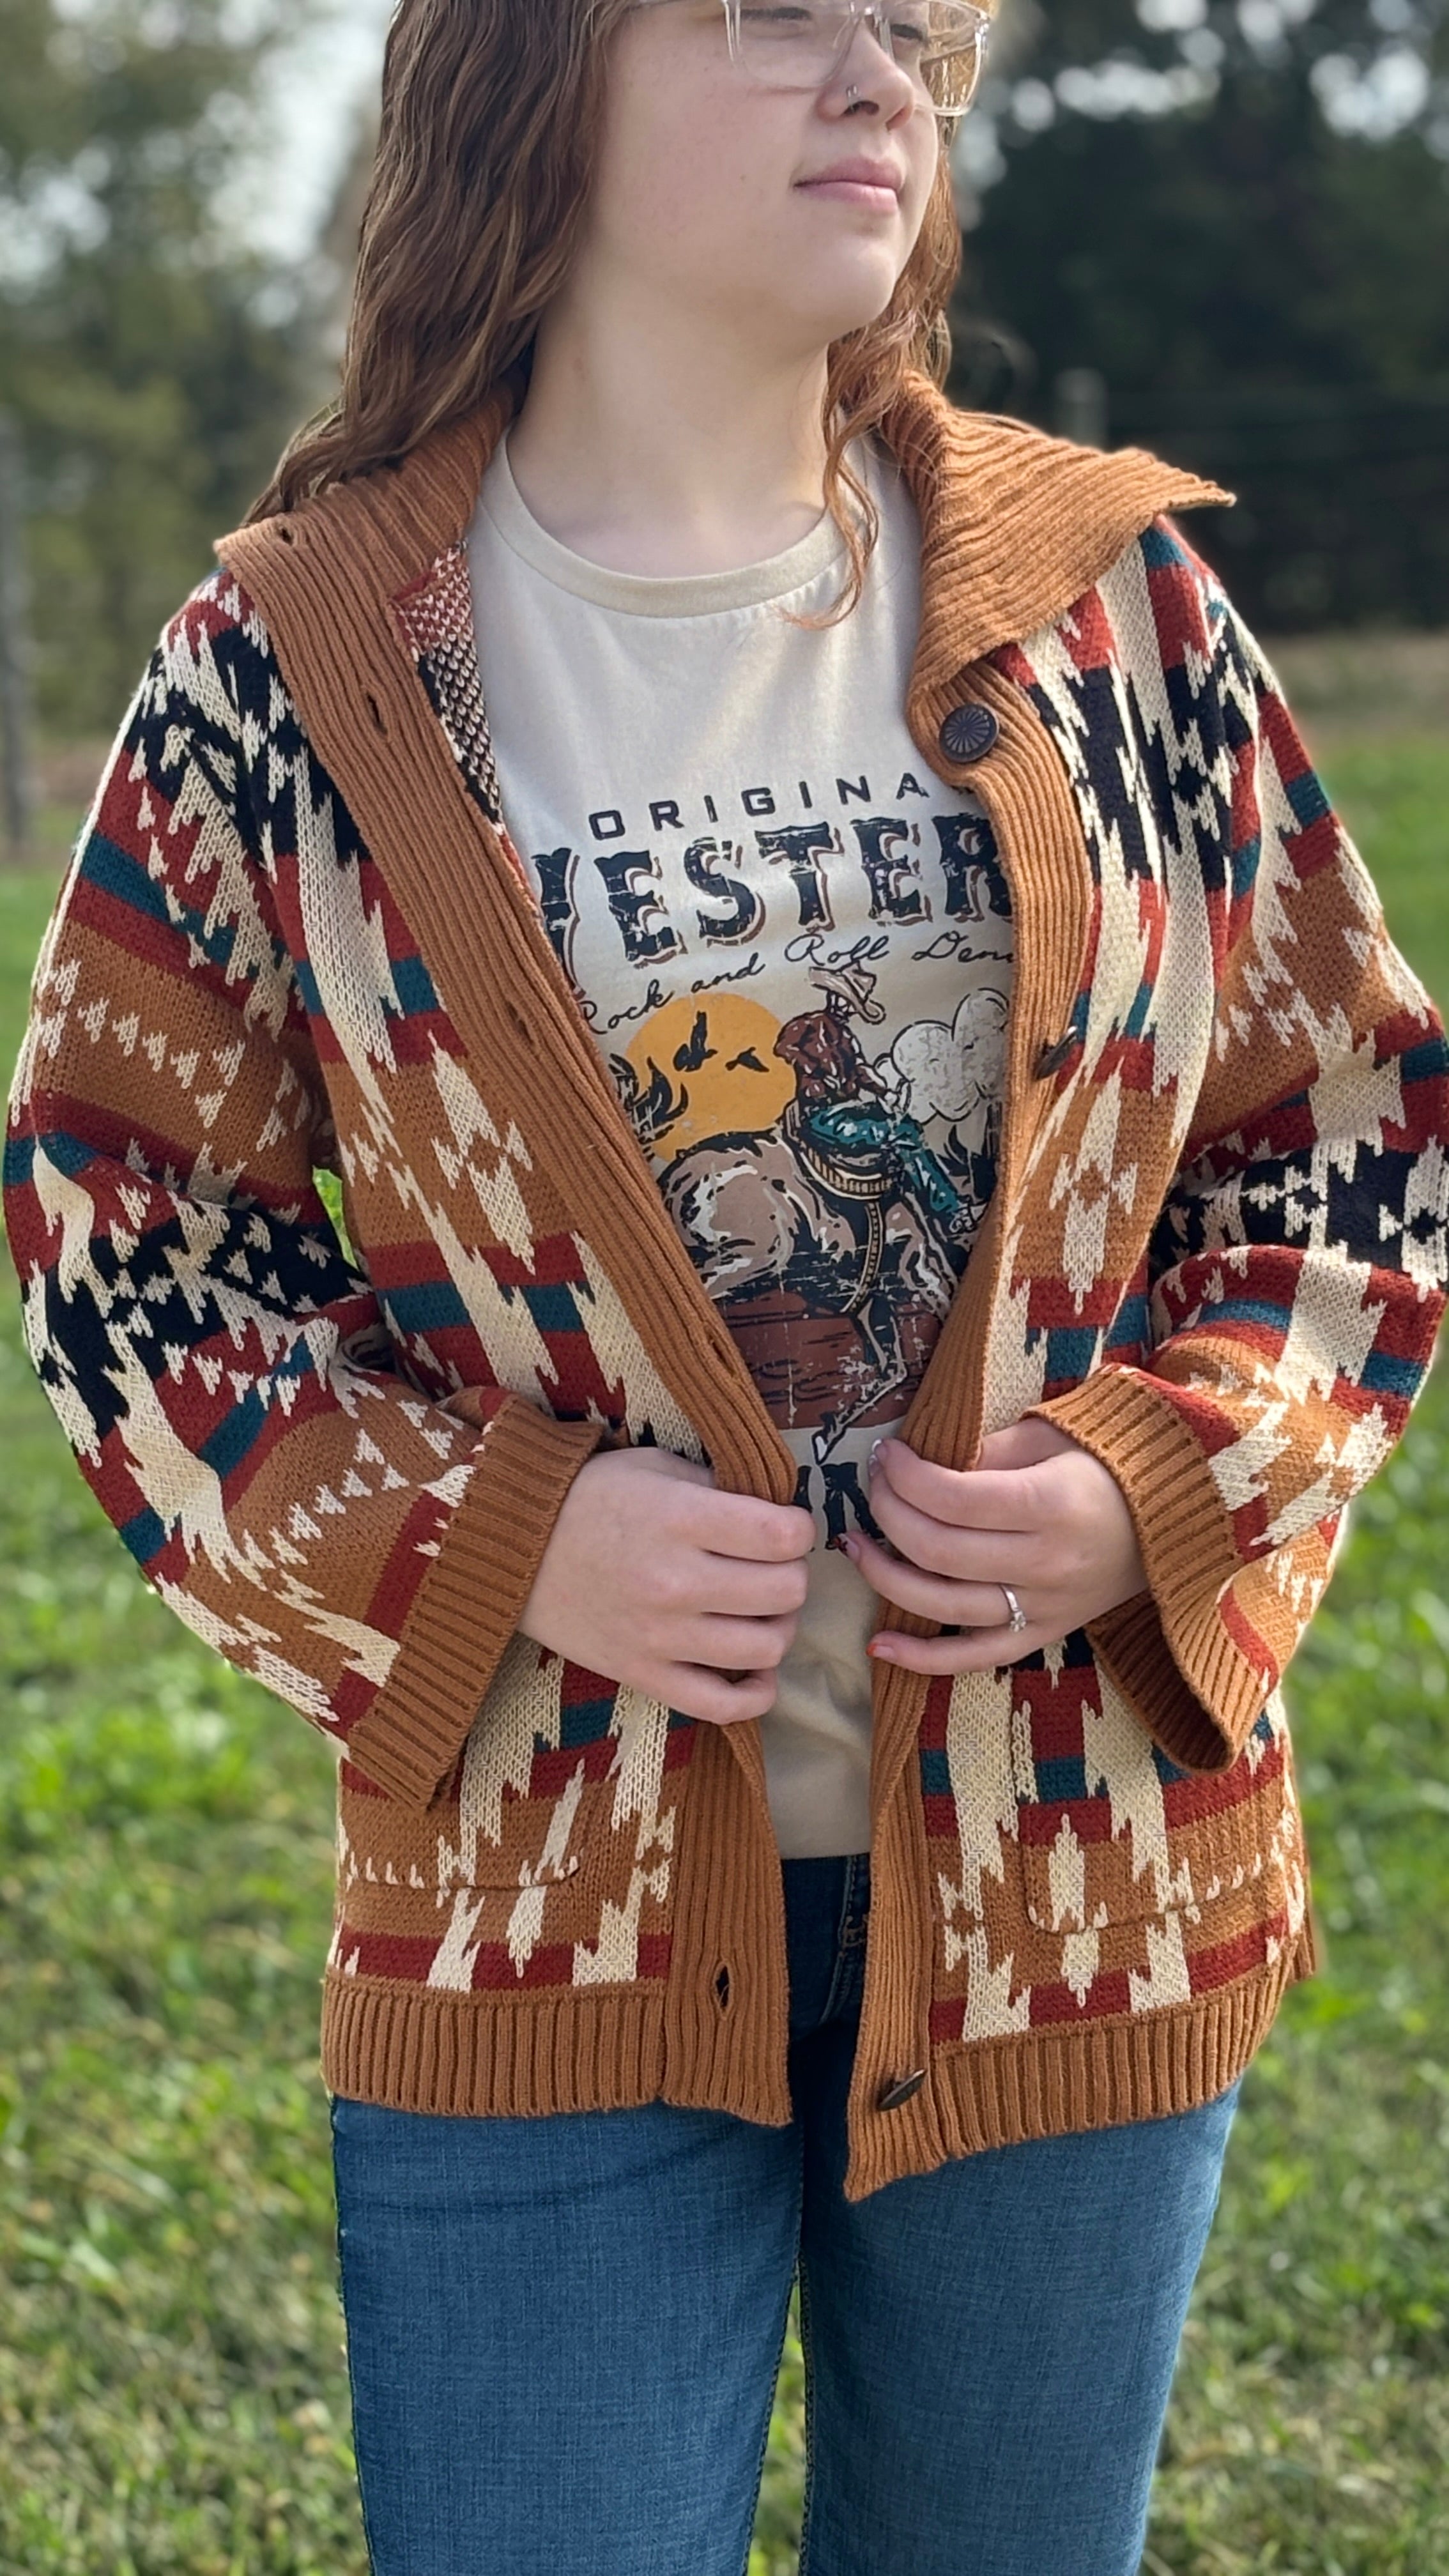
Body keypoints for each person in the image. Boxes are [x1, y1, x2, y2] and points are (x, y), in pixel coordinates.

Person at [7, 3, 1448, 2571]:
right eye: (777, 6)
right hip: (535, 1913)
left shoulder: (1109, 608)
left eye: (912, 25)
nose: (876, 74)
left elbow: (1349, 1136)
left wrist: (1149, 1485)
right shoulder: (293, 668)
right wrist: (506, 1545)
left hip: (1079, 1893)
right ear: (530, 68)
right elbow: (123, 1235)